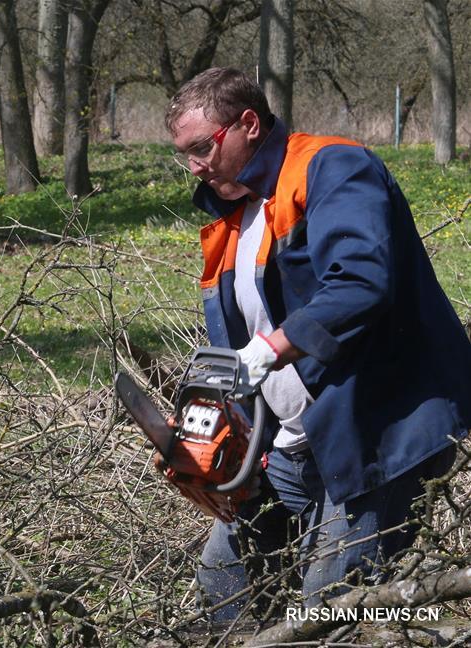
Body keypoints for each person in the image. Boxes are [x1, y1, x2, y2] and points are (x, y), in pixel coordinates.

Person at [161, 67, 471, 618]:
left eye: (202, 147)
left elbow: (359, 282)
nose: (195, 166)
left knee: (329, 604)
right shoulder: (235, 212)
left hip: (376, 425)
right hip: (294, 435)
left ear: (248, 124)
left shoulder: (332, 167)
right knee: (221, 575)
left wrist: (272, 348)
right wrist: (221, 453)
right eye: (184, 154)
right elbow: (236, 355)